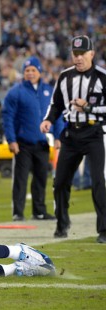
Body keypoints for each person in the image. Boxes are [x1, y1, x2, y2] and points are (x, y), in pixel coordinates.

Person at [40, 35, 106, 243]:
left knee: (98, 182)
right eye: (75, 54)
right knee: (60, 182)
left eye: (82, 54)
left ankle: (104, 230)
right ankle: (62, 223)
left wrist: (88, 107)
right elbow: (56, 104)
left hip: (94, 133)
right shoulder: (64, 76)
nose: (78, 58)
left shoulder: (103, 77)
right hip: (70, 134)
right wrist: (49, 120)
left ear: (92, 54)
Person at [2, 56, 64, 222]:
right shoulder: (16, 91)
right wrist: (11, 140)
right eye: (27, 70)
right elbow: (8, 118)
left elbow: (56, 115)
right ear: (23, 73)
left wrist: (58, 136)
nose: (30, 73)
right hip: (23, 144)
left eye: (33, 70)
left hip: (42, 143)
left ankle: (39, 211)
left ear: (40, 72)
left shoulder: (49, 91)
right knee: (20, 180)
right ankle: (18, 212)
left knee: (41, 179)